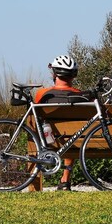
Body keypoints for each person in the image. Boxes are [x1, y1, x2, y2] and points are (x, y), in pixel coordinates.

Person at [34, 54, 81, 191]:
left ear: (55, 74)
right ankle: (65, 179)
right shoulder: (80, 96)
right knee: (72, 137)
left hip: (48, 141)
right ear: (73, 75)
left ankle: (35, 184)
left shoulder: (42, 94)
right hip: (73, 142)